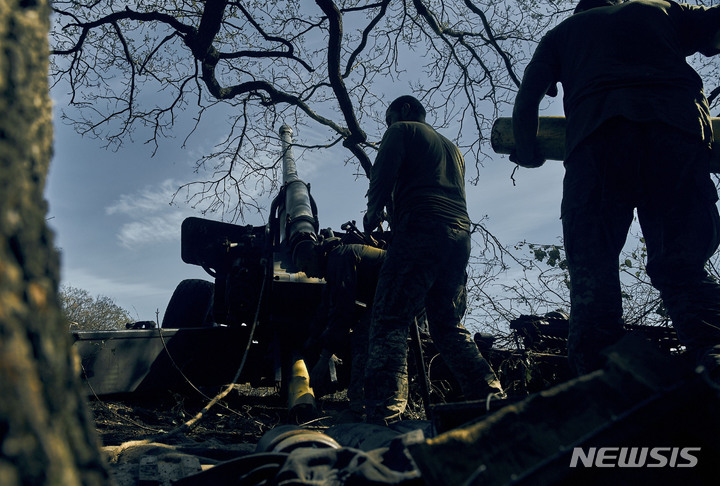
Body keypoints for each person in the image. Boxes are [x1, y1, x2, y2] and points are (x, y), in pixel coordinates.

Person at [511, 0, 720, 377]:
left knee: (594, 274)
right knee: (682, 267)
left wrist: (528, 152)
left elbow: (527, 101)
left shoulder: (560, 35)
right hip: (677, 131)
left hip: (598, 141)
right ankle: (717, 354)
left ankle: (602, 384)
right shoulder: (662, 8)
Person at [363, 95, 504, 424]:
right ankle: (492, 398)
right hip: (458, 237)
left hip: (422, 229)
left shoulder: (403, 130)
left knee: (389, 319)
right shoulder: (453, 149)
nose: (389, 126)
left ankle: (385, 413)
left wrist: (373, 210)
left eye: (390, 118)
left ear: (406, 110)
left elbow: (383, 173)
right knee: (448, 326)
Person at [304, 241, 387, 422]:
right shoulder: (334, 263)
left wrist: (324, 357)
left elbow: (343, 311)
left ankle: (360, 408)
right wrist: (311, 340)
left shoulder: (339, 259)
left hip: (398, 288)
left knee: (362, 338)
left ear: (314, 258)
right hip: (388, 293)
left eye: (305, 266)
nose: (307, 274)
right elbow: (325, 310)